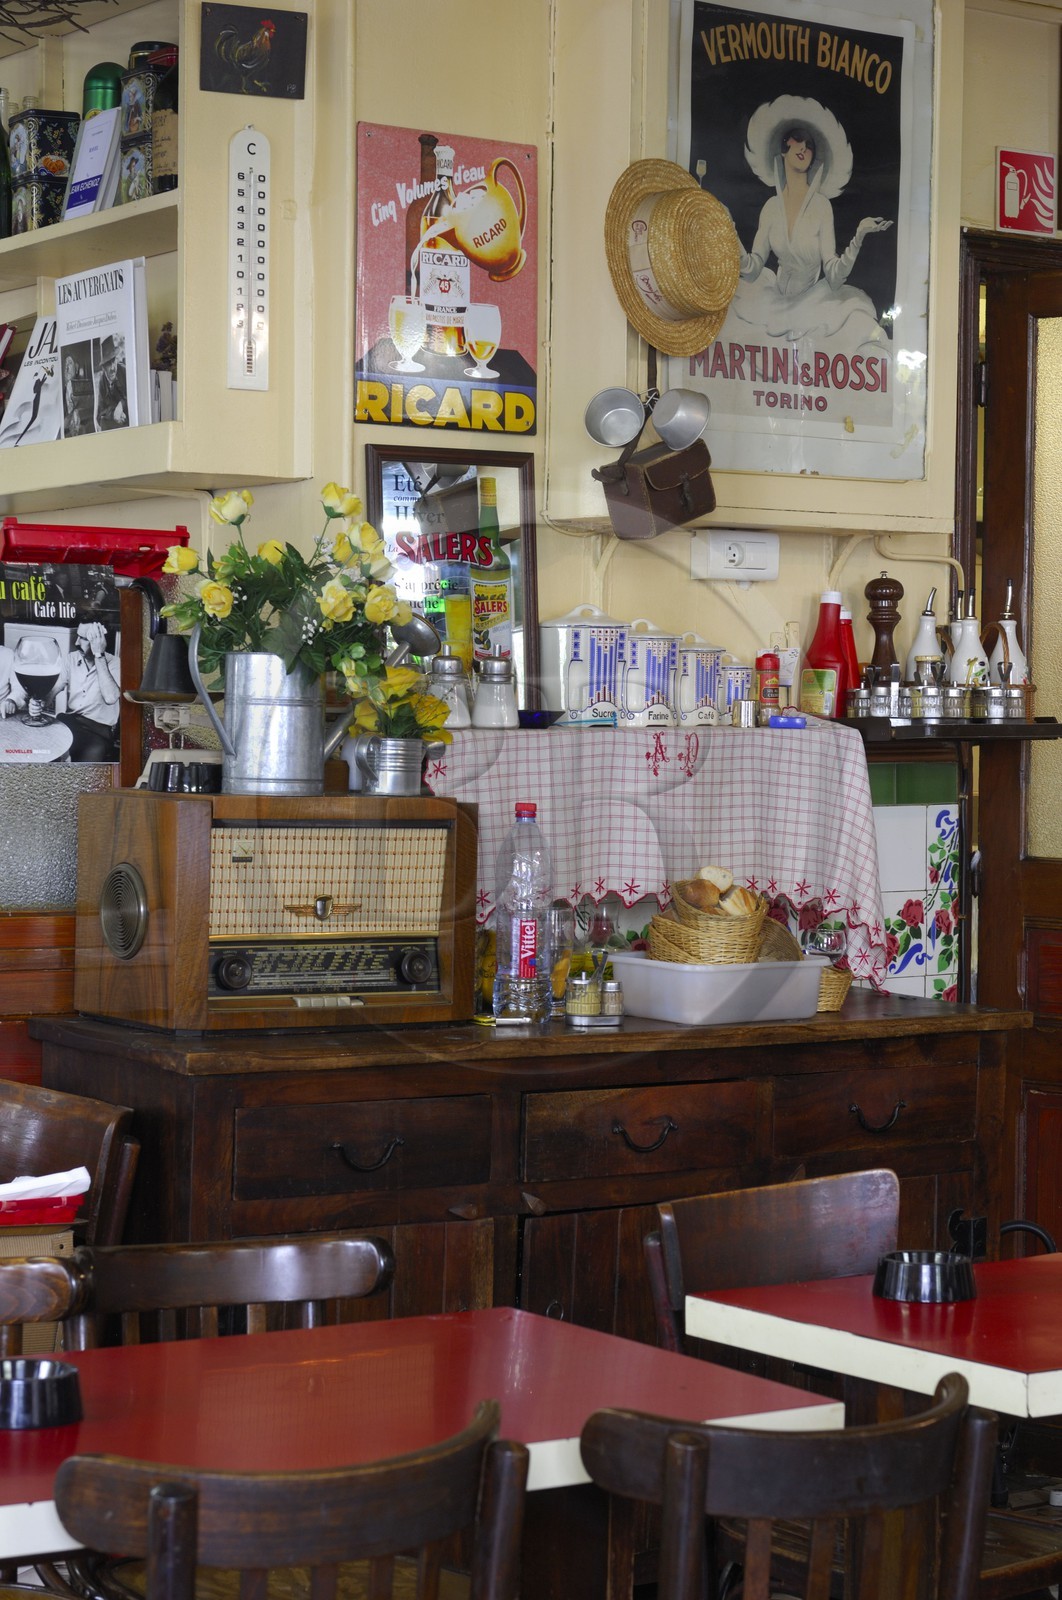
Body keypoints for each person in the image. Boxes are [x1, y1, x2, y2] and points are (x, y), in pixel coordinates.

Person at [729, 95, 893, 346]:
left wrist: (859, 237)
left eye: (810, 144)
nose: (804, 147)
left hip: (812, 304)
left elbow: (834, 276)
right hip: (772, 302)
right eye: (798, 139)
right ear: (784, 148)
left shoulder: (821, 207)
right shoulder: (771, 208)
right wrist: (729, 230)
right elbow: (751, 270)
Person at [54, 622, 121, 761]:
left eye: (84, 638)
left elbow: (111, 697)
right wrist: (40, 700)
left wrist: (99, 655)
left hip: (99, 731)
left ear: (100, 641)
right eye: (78, 636)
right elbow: (56, 688)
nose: (76, 643)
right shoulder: (71, 658)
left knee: (90, 758)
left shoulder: (115, 663)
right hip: (71, 721)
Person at [95, 335, 128, 431]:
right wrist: (113, 413)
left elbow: (134, 396)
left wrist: (121, 405)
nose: (113, 368)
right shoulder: (102, 382)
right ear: (103, 367)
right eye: (108, 364)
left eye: (113, 361)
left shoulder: (125, 372)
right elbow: (99, 414)